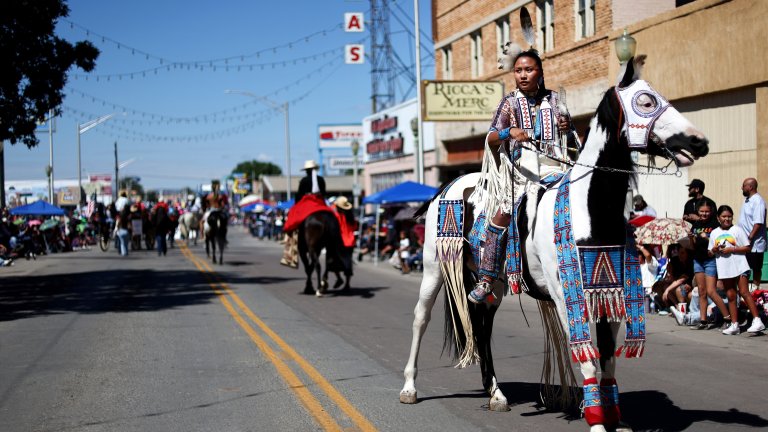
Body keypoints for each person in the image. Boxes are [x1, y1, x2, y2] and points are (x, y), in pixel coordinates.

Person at [468, 47, 574, 304]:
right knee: (503, 213)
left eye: (529, 70)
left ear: (540, 72)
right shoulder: (509, 102)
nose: (523, 75)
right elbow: (491, 137)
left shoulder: (556, 99)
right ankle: (486, 279)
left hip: (556, 168)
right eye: (518, 71)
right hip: (520, 173)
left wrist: (567, 128)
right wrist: (510, 132)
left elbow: (571, 140)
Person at [709, 205, 766, 334]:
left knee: (744, 292)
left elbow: (747, 248)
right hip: (725, 268)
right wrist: (714, 249)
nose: (727, 219)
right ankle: (734, 325)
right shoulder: (714, 233)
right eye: (724, 216)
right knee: (730, 295)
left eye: (729, 216)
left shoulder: (737, 230)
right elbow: (710, 252)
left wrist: (731, 249)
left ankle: (757, 321)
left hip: (740, 266)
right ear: (718, 218)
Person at [688, 200, 730, 330]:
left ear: (711, 212)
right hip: (698, 260)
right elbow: (692, 246)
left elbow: (720, 241)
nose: (704, 214)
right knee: (701, 291)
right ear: (698, 212)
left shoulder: (715, 225)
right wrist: (691, 237)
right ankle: (703, 321)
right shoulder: (695, 225)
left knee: (711, 291)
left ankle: (728, 318)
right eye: (702, 211)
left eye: (706, 211)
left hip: (711, 260)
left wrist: (706, 237)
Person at [281, 160, 326, 268]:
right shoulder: (321, 180)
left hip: (306, 203)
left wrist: (297, 206)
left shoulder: (304, 180)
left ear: (307, 171)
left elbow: (299, 195)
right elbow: (324, 193)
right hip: (319, 203)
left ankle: (291, 245)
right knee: (333, 216)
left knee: (293, 219)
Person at [737, 177, 766, 290]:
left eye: (743, 186)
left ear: (750, 187)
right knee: (744, 266)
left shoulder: (758, 201)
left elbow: (758, 222)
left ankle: (755, 287)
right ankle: (745, 288)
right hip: (744, 241)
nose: (741, 188)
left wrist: (750, 238)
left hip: (754, 243)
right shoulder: (747, 200)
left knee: (756, 267)